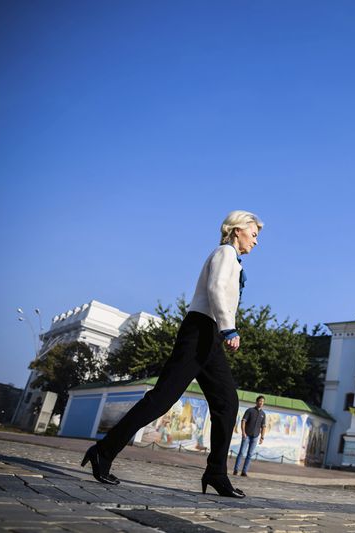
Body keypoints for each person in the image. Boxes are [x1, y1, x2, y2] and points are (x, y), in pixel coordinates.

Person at [80, 210, 262, 499]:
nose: (256, 240)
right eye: (254, 233)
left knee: (227, 403)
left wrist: (222, 331)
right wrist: (229, 329)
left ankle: (216, 473)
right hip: (201, 331)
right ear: (237, 229)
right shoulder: (224, 252)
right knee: (161, 399)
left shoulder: (232, 259)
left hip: (210, 335)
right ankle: (103, 450)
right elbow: (215, 289)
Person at [233, 395, 267, 476]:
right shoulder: (250, 411)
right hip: (246, 435)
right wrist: (243, 432)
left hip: (255, 437)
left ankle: (244, 471)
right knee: (241, 453)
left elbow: (263, 426)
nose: (261, 403)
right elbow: (243, 421)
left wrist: (262, 437)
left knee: (250, 454)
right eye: (260, 401)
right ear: (256, 402)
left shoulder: (263, 414)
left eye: (263, 402)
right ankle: (236, 470)